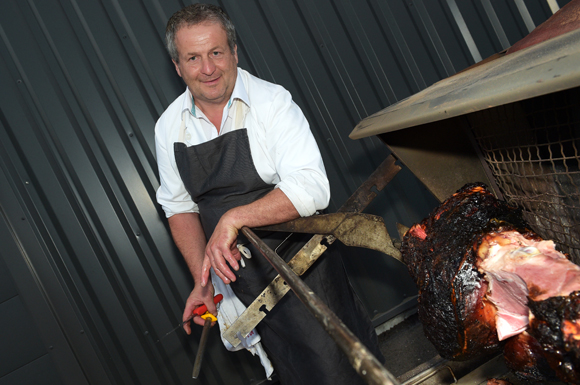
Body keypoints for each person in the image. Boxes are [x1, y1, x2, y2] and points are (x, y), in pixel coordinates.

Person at [155, 4, 383, 384]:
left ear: (234, 51)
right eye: (193, 58)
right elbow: (179, 209)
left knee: (337, 368)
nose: (207, 68)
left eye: (216, 52)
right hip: (240, 281)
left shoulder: (271, 103)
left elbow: (312, 186)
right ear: (178, 67)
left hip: (302, 264)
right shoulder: (169, 128)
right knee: (283, 372)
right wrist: (203, 279)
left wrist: (234, 218)